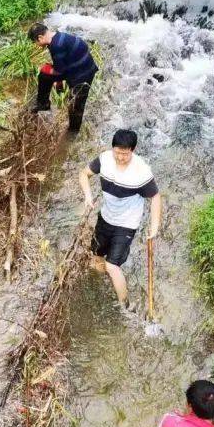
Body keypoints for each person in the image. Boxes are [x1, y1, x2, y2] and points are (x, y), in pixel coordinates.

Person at [78, 128, 161, 309]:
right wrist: (88, 196)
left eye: (125, 154)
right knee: (96, 258)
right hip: (106, 217)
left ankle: (126, 307)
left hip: (127, 223)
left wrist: (154, 226)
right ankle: (104, 288)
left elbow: (155, 197)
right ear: (112, 148)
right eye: (117, 152)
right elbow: (84, 174)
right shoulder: (104, 159)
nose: (120, 157)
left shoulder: (141, 172)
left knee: (112, 265)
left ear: (133, 150)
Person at [27, 22, 98, 134]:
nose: (36, 45)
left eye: (35, 42)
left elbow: (59, 70)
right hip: (75, 67)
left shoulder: (56, 46)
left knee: (75, 105)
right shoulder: (58, 37)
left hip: (83, 74)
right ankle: (43, 104)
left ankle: (73, 132)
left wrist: (57, 78)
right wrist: (58, 80)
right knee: (44, 75)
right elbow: (60, 65)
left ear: (40, 37)